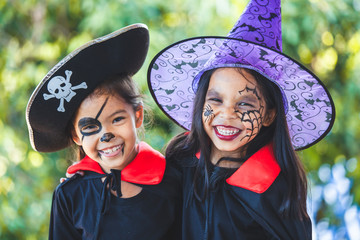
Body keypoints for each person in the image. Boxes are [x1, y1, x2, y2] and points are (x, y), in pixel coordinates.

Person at [147, 0, 335, 239]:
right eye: (215, 100)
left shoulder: (278, 193)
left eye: (245, 104)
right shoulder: (179, 162)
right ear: (201, 102)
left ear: (269, 114)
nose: (227, 115)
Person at [26, 24, 181, 239]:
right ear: (75, 136)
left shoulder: (173, 181)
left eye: (117, 119)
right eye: (90, 127)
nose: (106, 135)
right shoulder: (70, 195)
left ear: (138, 116)